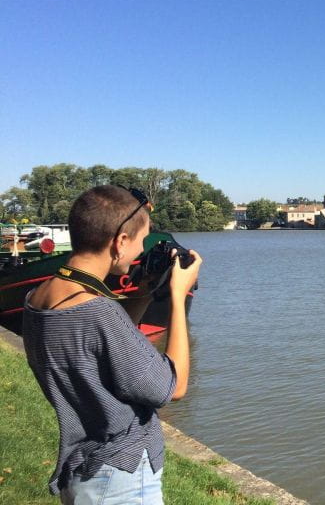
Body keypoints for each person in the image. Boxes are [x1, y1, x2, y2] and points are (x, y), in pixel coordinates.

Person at [22, 184, 202, 504]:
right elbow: (173, 387)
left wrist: (145, 291)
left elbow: (106, 347)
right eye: (140, 241)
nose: (139, 252)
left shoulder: (38, 299)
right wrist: (177, 295)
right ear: (120, 241)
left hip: (82, 466)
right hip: (118, 477)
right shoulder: (98, 312)